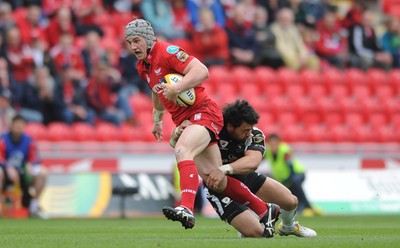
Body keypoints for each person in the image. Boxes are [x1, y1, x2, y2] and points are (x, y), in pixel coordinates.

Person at [124, 18, 280, 235]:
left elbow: (202, 71)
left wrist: (177, 87)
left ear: (148, 39)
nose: (133, 47)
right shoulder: (143, 67)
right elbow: (157, 89)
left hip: (204, 112)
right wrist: (157, 119)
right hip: (185, 119)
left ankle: (186, 208)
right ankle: (264, 210)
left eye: (137, 41)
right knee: (214, 179)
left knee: (182, 149)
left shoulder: (168, 52)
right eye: (129, 42)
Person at [171, 100, 316, 238]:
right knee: (258, 233)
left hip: (244, 177)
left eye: (250, 129)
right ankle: (247, 224)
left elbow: (253, 162)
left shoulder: (254, 134)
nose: (249, 133)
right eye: (245, 130)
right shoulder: (211, 127)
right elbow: (181, 143)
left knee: (291, 201)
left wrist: (223, 169)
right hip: (219, 187)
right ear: (230, 126)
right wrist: (178, 131)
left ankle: (288, 227)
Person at [0, 115, 47, 218]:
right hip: (6, 174)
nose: (18, 128)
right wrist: (7, 167)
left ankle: (34, 206)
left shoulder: (29, 141)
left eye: (21, 126)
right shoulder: (3, 139)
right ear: (11, 126)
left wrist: (31, 165)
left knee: (42, 172)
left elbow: (35, 158)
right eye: (16, 126)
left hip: (23, 174)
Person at [265, 133, 321, 217]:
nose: (273, 145)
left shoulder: (284, 150)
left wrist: (289, 178)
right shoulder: (268, 152)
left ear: (279, 143)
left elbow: (290, 164)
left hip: (297, 173)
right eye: (271, 143)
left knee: (294, 183)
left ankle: (305, 206)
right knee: (289, 191)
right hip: (283, 178)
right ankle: (304, 207)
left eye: (275, 143)